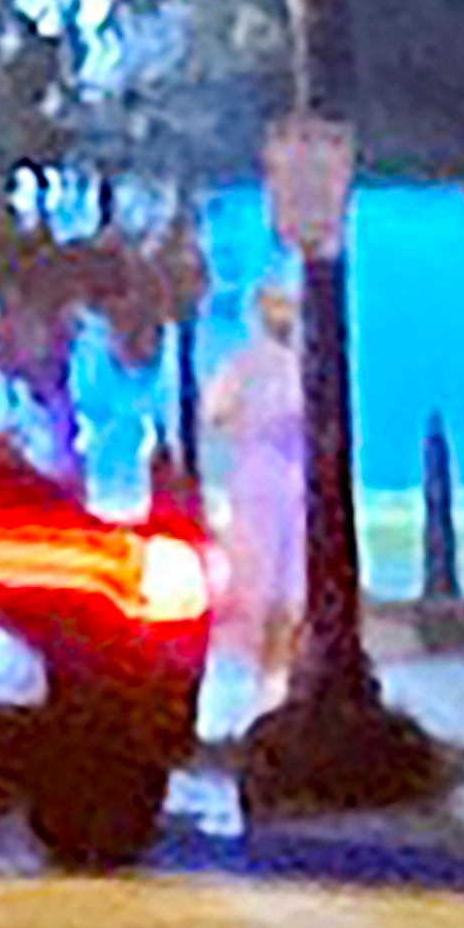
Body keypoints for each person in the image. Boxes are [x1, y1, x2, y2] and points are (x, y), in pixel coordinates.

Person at [204, 281, 307, 697]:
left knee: (283, 581)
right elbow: (215, 411)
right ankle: (267, 674)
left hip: (283, 480)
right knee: (267, 581)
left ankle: (275, 674)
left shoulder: (272, 364)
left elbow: (216, 412)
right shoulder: (248, 365)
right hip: (267, 479)